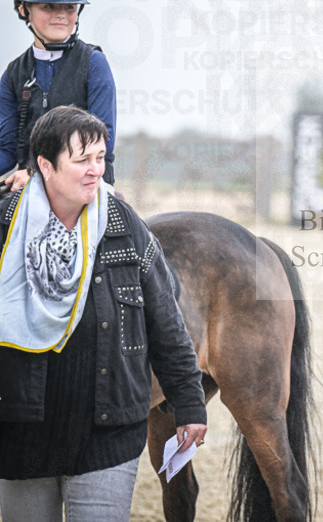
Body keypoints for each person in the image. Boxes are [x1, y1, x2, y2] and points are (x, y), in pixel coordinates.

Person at [0, 106, 206, 521]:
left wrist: (190, 405)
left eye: (101, 158)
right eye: (82, 160)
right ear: (46, 165)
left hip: (107, 432)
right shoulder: (5, 225)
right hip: (20, 434)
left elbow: (166, 321)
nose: (96, 170)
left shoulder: (123, 223)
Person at [1, 0, 118, 192]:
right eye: (49, 6)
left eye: (69, 7)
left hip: (87, 184)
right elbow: (7, 148)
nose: (61, 15)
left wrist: (35, 173)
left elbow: (102, 139)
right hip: (28, 186)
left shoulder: (94, 62)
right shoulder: (13, 74)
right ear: (24, 10)